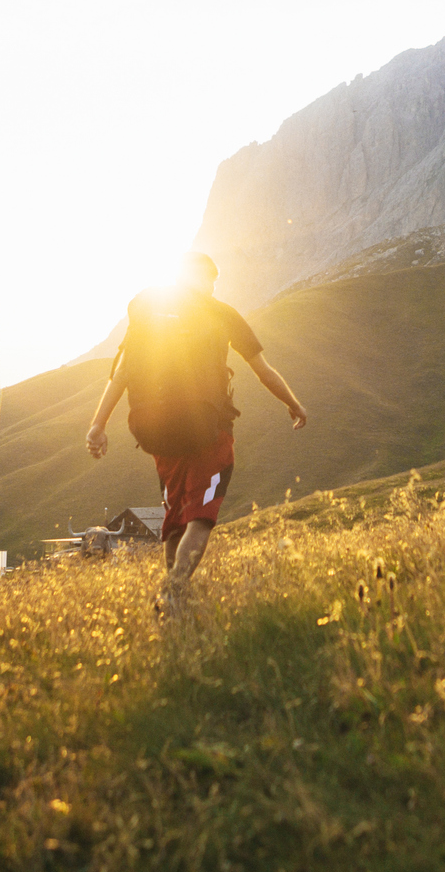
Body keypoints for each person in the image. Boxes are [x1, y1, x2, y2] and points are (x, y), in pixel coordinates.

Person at [84, 252, 306, 616]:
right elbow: (263, 371)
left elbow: (121, 374)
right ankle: (172, 593)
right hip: (208, 431)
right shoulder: (221, 312)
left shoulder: (149, 312)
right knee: (200, 517)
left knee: (174, 522)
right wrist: (294, 404)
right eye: (212, 279)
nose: (213, 286)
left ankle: (176, 605)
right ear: (206, 279)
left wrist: (97, 425)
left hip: (155, 432)